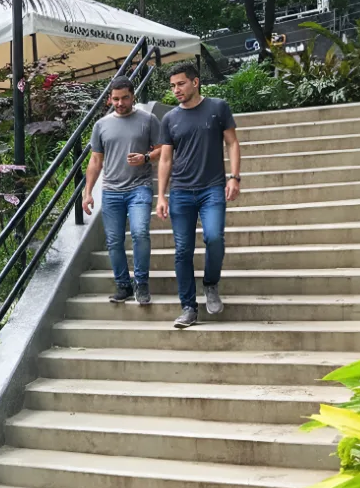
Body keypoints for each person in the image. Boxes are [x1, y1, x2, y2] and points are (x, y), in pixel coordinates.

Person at [156, 63, 242, 328]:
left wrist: (234, 177)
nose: (176, 90)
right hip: (181, 191)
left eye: (180, 84)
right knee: (183, 250)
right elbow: (166, 158)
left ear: (195, 82)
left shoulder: (217, 107)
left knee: (214, 237)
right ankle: (188, 307)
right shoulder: (170, 118)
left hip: (212, 188)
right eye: (172, 86)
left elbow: (232, 142)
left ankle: (211, 284)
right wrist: (161, 195)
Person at [83, 76, 162, 306]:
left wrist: (146, 157)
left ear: (133, 96)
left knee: (139, 233)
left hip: (140, 187)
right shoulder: (101, 125)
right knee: (114, 240)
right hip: (111, 191)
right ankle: (123, 285)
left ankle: (142, 283)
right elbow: (95, 160)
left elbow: (163, 151)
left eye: (124, 98)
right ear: (110, 98)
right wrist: (87, 192)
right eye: (115, 99)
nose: (120, 103)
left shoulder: (148, 119)